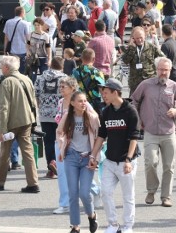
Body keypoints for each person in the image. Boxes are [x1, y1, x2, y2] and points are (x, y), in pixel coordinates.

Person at [132, 57, 176, 207]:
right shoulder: (146, 85)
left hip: (169, 132)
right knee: (150, 162)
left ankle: (166, 197)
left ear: (170, 71)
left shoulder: (174, 86)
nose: (163, 73)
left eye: (166, 70)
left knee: (169, 166)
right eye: (161, 69)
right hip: (150, 131)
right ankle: (151, 190)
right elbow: (134, 101)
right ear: (156, 70)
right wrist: (137, 120)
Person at [88, 78, 141, 233]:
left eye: (105, 92)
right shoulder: (106, 111)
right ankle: (112, 224)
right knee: (105, 192)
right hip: (110, 160)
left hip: (126, 161)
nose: (103, 95)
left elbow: (134, 137)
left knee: (128, 196)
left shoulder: (130, 110)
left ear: (115, 92)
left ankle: (127, 226)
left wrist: (128, 160)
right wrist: (93, 155)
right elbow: (101, 135)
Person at [0, 56, 39, 193]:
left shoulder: (7, 82)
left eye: (2, 66)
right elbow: (33, 102)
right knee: (28, 152)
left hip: (12, 122)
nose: (1, 68)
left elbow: (4, 108)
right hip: (27, 120)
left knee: (4, 152)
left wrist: (2, 129)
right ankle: (33, 183)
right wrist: (33, 121)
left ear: (7, 68)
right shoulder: (27, 79)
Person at [56, 90, 100, 233]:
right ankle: (75, 226)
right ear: (73, 103)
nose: (83, 103)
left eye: (85, 101)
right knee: (73, 193)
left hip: (88, 158)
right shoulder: (68, 117)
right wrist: (62, 145)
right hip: (72, 157)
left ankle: (92, 215)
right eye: (80, 101)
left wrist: (95, 156)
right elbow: (59, 131)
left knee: (84, 193)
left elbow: (100, 138)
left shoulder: (92, 117)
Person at [35, 56, 66, 179]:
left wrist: (41, 106)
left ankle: (50, 166)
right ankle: (58, 164)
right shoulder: (65, 78)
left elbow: (36, 93)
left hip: (45, 113)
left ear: (50, 65)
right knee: (61, 140)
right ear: (62, 66)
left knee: (48, 141)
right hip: (60, 114)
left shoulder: (40, 78)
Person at [120, 27, 164, 95]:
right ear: (133, 38)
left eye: (141, 37)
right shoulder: (130, 48)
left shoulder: (151, 47)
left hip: (149, 81)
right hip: (135, 83)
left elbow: (163, 58)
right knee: (134, 104)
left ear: (145, 36)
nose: (140, 40)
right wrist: (132, 49)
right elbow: (125, 61)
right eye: (137, 38)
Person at [3, 7, 31, 73]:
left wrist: (5, 50)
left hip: (12, 51)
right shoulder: (25, 23)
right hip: (22, 50)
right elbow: (28, 38)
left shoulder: (8, 22)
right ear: (22, 13)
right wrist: (29, 50)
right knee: (22, 71)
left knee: (13, 70)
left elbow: (6, 38)